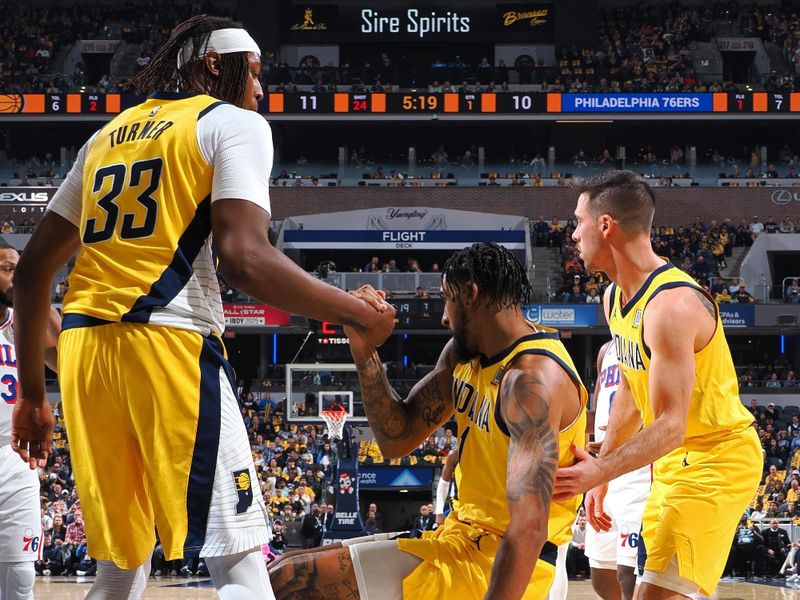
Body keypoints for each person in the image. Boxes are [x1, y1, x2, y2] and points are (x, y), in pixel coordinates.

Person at [11, 15, 394, 600]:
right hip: (166, 341)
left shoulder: (107, 135)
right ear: (216, 65)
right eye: (257, 73)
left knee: (123, 563)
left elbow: (33, 269)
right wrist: (355, 312)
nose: (261, 90)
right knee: (238, 560)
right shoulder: (230, 122)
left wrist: (35, 398)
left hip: (84, 355)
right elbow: (244, 257)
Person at [269, 242, 587, 599]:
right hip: (462, 540)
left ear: (471, 294)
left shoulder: (532, 381)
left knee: (288, 580)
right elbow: (397, 438)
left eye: (446, 300)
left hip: (510, 566)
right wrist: (364, 349)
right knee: (280, 568)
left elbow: (528, 529)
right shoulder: (463, 357)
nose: (444, 318)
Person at [556, 170, 762, 599]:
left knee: (655, 593)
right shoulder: (614, 297)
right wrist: (602, 476)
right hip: (672, 464)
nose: (574, 233)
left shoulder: (672, 306)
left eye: (579, 221)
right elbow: (631, 389)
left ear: (606, 225)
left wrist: (599, 468)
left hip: (715, 459)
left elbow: (670, 424)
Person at [0, 239, 60, 600]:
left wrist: (40, 305)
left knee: (21, 578)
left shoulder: (29, 321)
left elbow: (72, 367)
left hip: (15, 455)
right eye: (8, 269)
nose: (18, 277)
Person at [584, 341, 650, 600]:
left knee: (628, 572)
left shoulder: (649, 339)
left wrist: (621, 438)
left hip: (639, 469)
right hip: (604, 468)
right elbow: (596, 412)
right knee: (601, 574)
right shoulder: (605, 351)